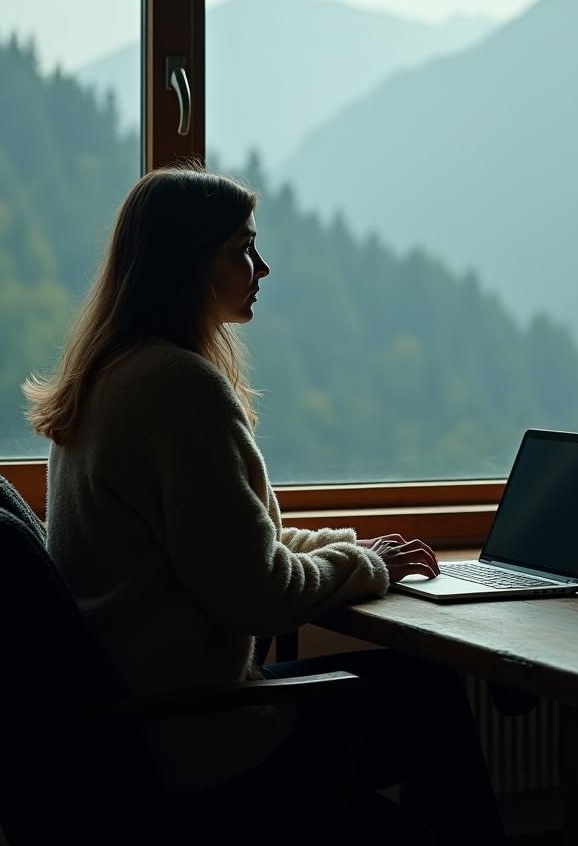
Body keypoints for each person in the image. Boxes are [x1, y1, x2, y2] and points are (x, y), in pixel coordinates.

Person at [26, 162, 505, 843]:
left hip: (142, 725)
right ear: (192, 265)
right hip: (200, 739)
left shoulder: (111, 376)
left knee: (413, 699)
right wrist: (367, 566)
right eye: (242, 249)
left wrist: (359, 551)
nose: (262, 267)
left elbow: (236, 543)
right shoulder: (180, 391)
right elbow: (255, 594)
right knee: (427, 696)